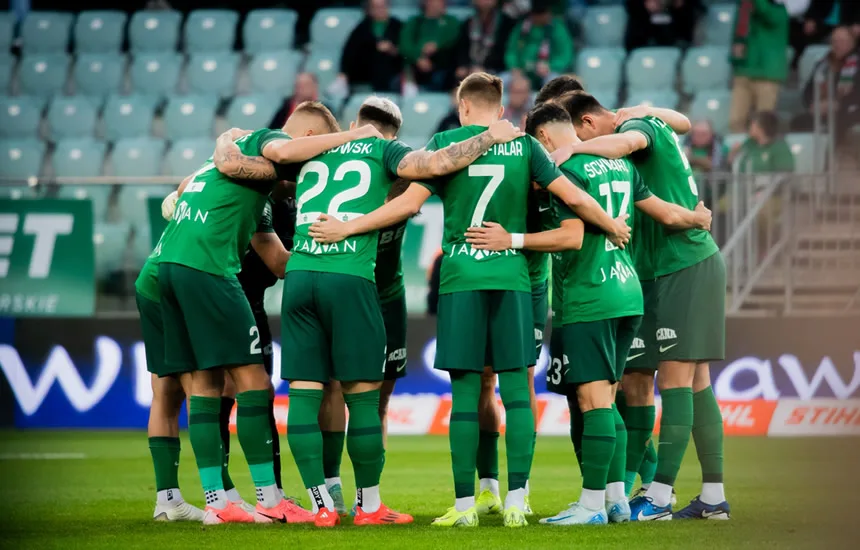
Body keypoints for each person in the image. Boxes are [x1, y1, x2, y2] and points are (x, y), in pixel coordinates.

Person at [307, 72, 632, 528]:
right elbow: (572, 195)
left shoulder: (446, 142)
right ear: (499, 109)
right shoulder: (524, 145)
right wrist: (613, 224)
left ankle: (465, 508)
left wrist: (346, 227)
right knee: (518, 392)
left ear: (462, 107)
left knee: (464, 396)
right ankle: (517, 500)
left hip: (460, 277)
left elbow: (404, 205)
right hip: (514, 279)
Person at [280, 96, 525, 527]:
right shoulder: (386, 152)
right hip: (354, 279)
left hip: (303, 274)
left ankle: (320, 503)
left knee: (306, 390)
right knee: (364, 395)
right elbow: (434, 164)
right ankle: (367, 505)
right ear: (390, 133)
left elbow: (269, 158)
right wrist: (490, 136)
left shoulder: (312, 150)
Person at [464, 101, 711, 526]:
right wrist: (698, 218)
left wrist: (513, 240)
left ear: (542, 138)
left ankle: (592, 505)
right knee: (608, 395)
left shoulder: (567, 170)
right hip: (628, 292)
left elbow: (571, 237)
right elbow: (665, 213)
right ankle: (616, 499)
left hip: (588, 295)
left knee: (593, 400)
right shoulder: (619, 165)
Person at [153, 113, 388, 526]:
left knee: (198, 387)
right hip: (209, 274)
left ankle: (210, 500)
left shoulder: (238, 177)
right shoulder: (268, 144)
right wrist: (354, 136)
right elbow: (279, 151)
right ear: (313, 138)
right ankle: (267, 497)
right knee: (252, 383)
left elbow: (275, 257)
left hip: (160, 271)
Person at [556, 92, 731, 521]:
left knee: (678, 377)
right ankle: (712, 497)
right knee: (693, 381)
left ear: (588, 123)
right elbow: (682, 122)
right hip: (666, 267)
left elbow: (624, 144)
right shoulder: (647, 119)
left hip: (684, 264)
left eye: (578, 132)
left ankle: (659, 496)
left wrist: (569, 151)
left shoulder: (637, 130)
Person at [791, 26, 860, 145]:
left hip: (851, 109)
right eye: (834, 41)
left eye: (842, 41)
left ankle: (833, 160)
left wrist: (837, 104)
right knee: (799, 122)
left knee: (838, 122)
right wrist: (813, 104)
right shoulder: (823, 64)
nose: (837, 45)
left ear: (852, 43)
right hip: (824, 110)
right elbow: (808, 90)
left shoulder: (856, 64)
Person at [729, 0, 790, 132]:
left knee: (763, 124)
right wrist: (735, 61)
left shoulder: (778, 10)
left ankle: (762, 152)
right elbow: (737, 38)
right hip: (743, 72)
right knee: (736, 121)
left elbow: (766, 14)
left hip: (767, 74)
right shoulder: (744, 8)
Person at [504, 0, 574, 89]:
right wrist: (514, 67)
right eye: (536, 14)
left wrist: (550, 66)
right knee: (502, 80)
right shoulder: (522, 27)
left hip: (547, 72)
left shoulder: (557, 28)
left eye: (542, 14)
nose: (539, 17)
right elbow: (511, 51)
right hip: (522, 71)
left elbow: (565, 55)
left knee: (554, 82)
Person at [339, 0, 404, 94]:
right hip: (365, 78)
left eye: (382, 6)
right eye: (376, 7)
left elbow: (405, 52)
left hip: (392, 78)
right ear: (369, 9)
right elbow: (349, 54)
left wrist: (392, 49)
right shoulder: (361, 29)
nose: (380, 10)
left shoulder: (398, 26)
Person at [400, 0, 461, 91]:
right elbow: (405, 44)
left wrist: (437, 45)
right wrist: (418, 57)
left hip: (443, 66)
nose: (435, 4)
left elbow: (454, 38)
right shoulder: (415, 22)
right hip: (416, 66)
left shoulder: (451, 22)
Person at [454, 0, 516, 80]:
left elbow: (505, 51)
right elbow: (462, 48)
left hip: (496, 69)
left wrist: (485, 69)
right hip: (471, 68)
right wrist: (464, 65)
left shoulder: (507, 23)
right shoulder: (469, 22)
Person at [625, 0, 703, 51]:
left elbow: (698, 8)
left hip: (678, 36)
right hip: (644, 39)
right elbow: (630, 5)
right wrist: (645, 3)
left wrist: (680, 3)